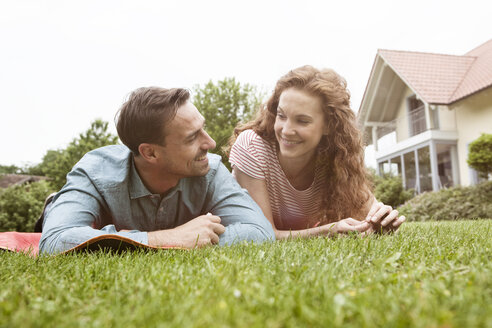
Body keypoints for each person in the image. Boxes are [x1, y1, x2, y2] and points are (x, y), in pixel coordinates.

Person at [39, 87, 275, 254]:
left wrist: (194, 239)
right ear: (150, 153)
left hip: (116, 231)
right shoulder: (94, 172)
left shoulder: (210, 170)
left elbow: (260, 232)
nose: (210, 143)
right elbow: (54, 242)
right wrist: (170, 239)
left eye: (202, 129)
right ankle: (56, 205)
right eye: (192, 137)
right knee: (59, 219)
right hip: (90, 207)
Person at [227, 66, 405, 240]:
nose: (286, 130)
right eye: (281, 116)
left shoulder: (335, 158)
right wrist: (326, 231)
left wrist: (381, 219)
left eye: (302, 121)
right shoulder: (252, 147)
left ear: (328, 125)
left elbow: (371, 209)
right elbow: (265, 234)